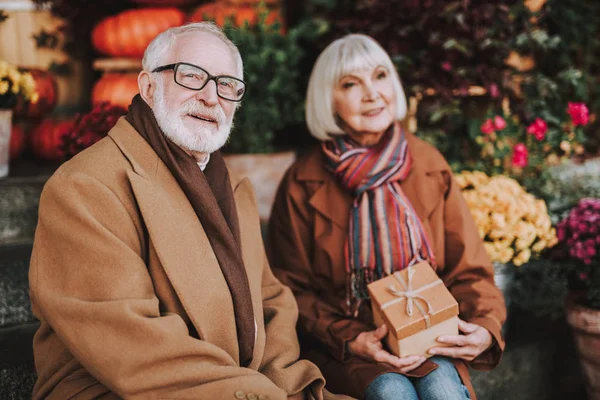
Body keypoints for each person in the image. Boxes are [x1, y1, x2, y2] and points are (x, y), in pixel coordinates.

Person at [28, 22, 350, 400]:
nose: (212, 97)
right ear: (149, 88)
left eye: (227, 84)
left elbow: (271, 302)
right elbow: (131, 343)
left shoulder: (232, 188)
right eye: (192, 77)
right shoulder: (84, 186)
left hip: (244, 387)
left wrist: (286, 387)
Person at [266, 33, 506, 400]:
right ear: (327, 100)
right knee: (392, 394)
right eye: (350, 84)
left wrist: (485, 327)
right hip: (350, 347)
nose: (371, 93)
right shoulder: (302, 181)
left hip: (429, 338)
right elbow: (289, 290)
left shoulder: (428, 164)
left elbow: (469, 269)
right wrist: (353, 340)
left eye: (380, 76)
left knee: (444, 392)